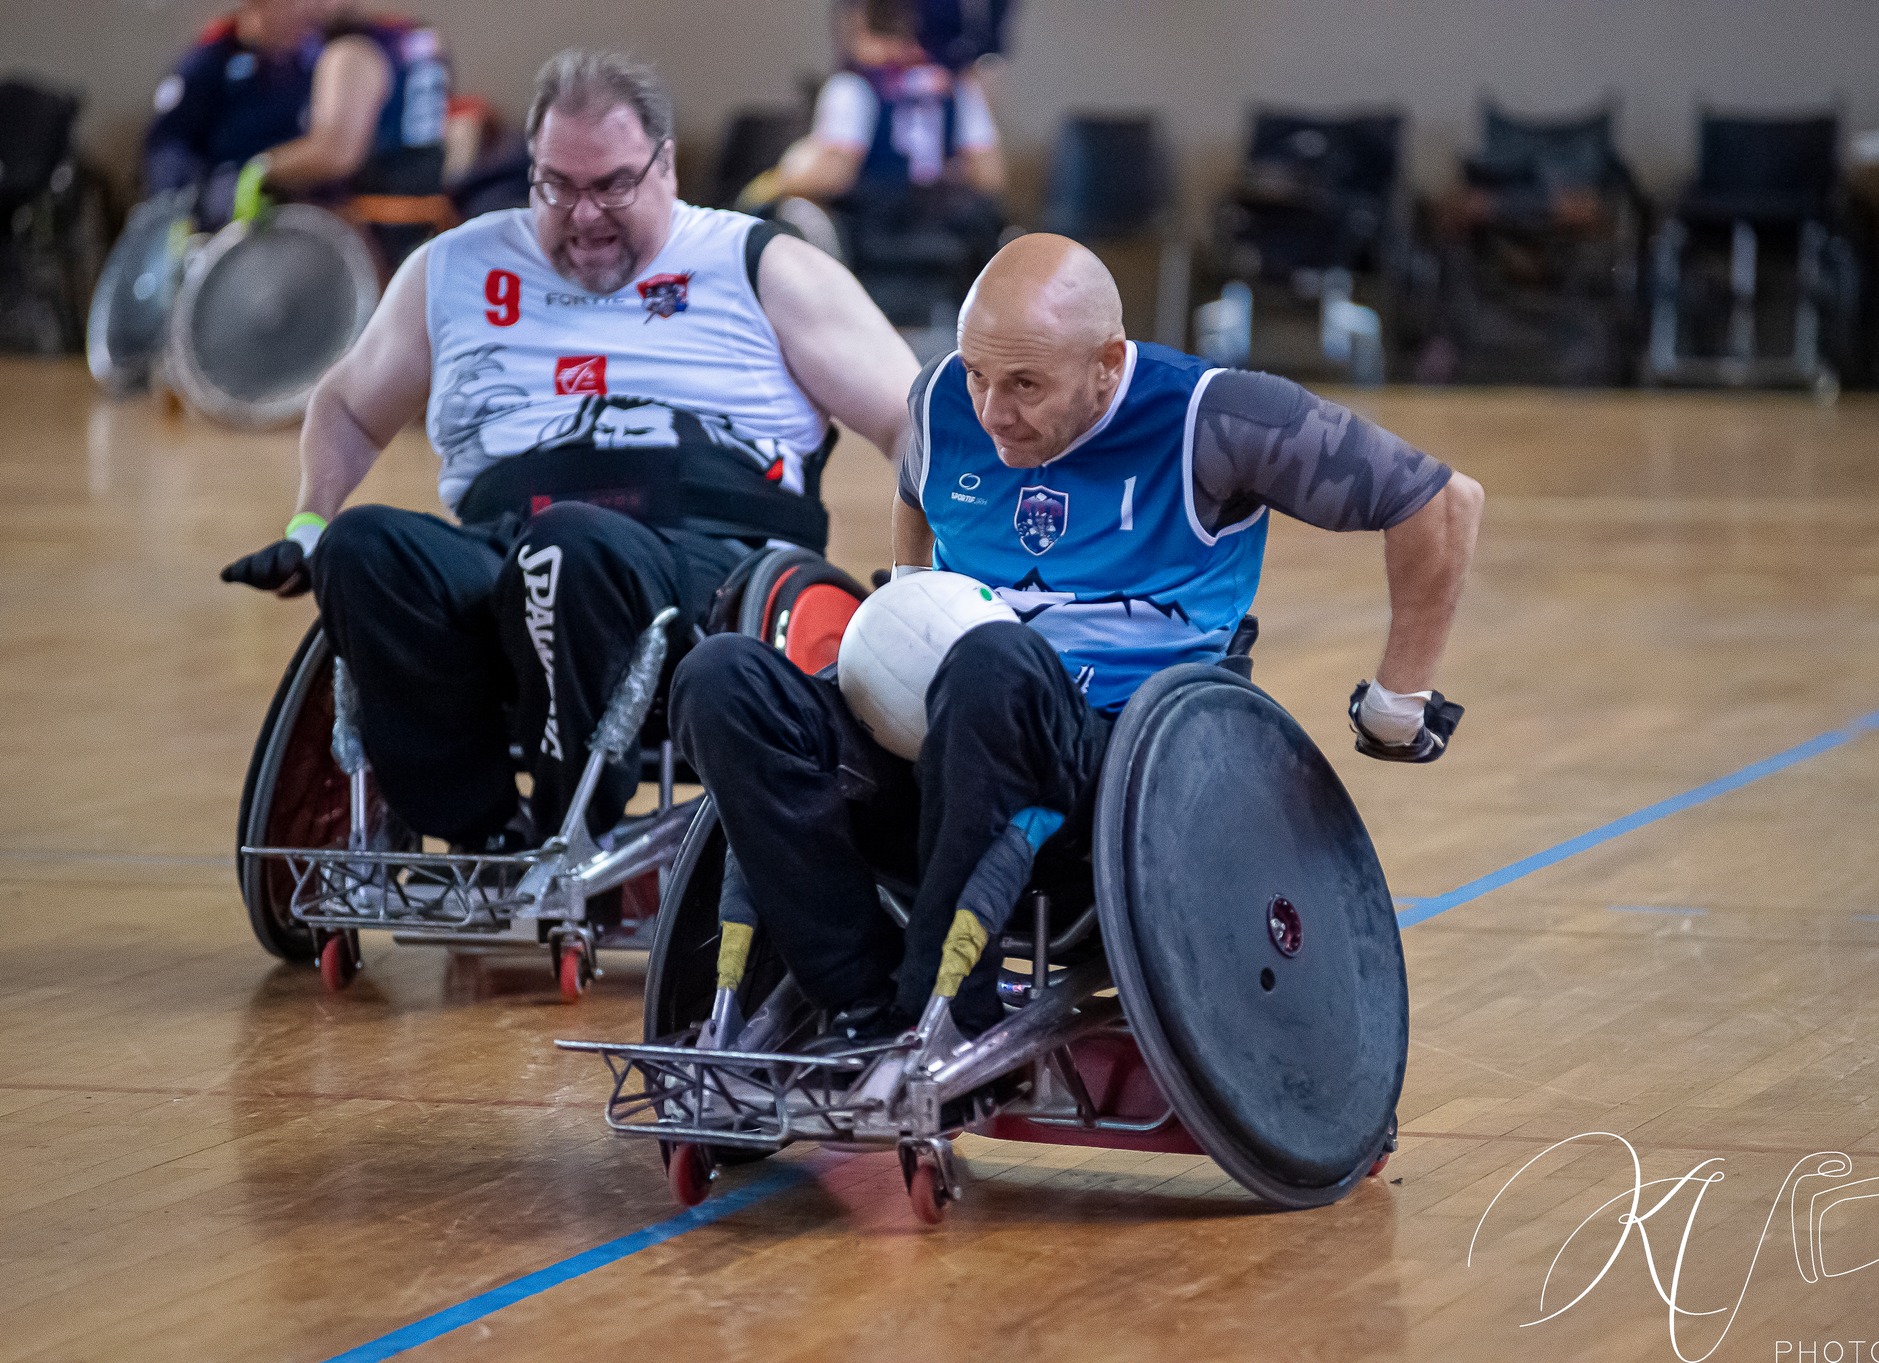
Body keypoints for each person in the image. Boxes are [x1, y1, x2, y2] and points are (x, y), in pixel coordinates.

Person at [671, 233, 1484, 1043]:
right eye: (979, 374)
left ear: (1106, 363)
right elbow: (917, 492)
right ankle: (858, 995)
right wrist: (906, 606)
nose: (992, 411)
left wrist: (1397, 702)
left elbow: (1442, 502)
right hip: (942, 748)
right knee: (720, 678)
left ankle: (945, 999)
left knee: (991, 663)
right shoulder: (940, 399)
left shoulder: (1214, 415)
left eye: (1024, 384)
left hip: (1117, 776)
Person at [220, 49, 920, 852]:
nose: (585, 214)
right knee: (365, 546)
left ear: (666, 165)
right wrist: (311, 522)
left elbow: (912, 420)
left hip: (704, 567)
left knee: (574, 545)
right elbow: (345, 404)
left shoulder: (761, 264)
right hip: (510, 549)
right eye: (558, 185)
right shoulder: (456, 266)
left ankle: (571, 830)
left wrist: (919, 574)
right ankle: (482, 833)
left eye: (613, 184)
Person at [746, 0, 1005, 317]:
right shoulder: (957, 87)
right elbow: (991, 176)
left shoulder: (854, 85)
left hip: (873, 246)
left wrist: (780, 177)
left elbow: (833, 172)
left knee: (790, 210)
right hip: (942, 246)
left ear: (857, 23)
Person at [143, 0, 447, 230]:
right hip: (226, 220)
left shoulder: (332, 51)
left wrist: (259, 173)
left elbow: (335, 152)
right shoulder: (212, 60)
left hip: (336, 219)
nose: (306, 8)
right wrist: (193, 201)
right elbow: (168, 148)